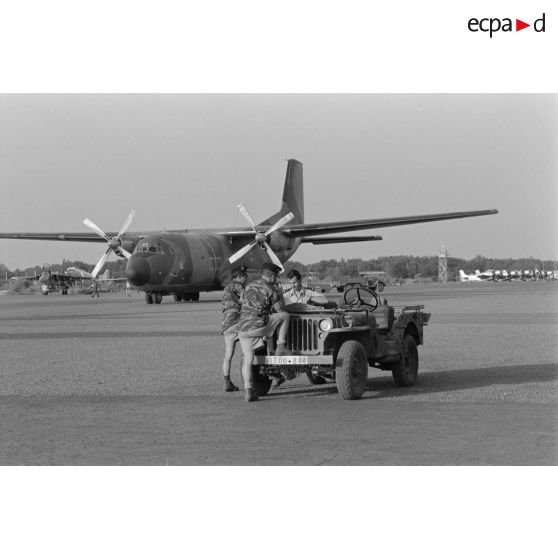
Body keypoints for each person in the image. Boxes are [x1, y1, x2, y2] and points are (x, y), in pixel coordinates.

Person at [237, 262, 291, 402]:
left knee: (248, 361)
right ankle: (281, 346)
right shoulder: (271, 288)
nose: (277, 279)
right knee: (285, 317)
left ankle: (249, 391)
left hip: (243, 328)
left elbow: (242, 302)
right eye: (276, 276)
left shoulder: (248, 286)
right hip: (259, 324)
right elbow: (280, 310)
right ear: (272, 276)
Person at [221, 266, 248, 392]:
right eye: (244, 277)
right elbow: (245, 301)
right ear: (239, 277)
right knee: (248, 351)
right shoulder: (238, 286)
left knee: (228, 355)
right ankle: (249, 381)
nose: (245, 280)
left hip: (226, 325)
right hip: (237, 321)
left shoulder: (226, 288)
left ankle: (227, 381)